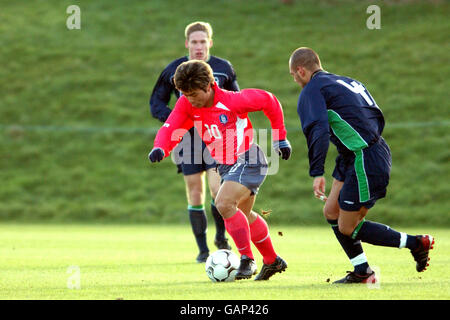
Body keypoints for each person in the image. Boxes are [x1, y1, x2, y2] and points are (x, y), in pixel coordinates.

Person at [289, 47, 435, 284]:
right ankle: (362, 271)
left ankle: (416, 243)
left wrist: (317, 171)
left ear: (301, 70)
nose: (294, 81)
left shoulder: (312, 89)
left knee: (348, 226)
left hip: (363, 158)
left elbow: (317, 128)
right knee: (331, 212)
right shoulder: (346, 81)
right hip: (359, 153)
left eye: (293, 75)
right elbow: (375, 114)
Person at [149, 60, 292, 280]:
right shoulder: (187, 104)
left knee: (223, 203)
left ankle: (246, 259)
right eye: (185, 95)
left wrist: (280, 138)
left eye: (193, 94)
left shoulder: (232, 100)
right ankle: (272, 260)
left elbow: (269, 101)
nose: (189, 99)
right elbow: (171, 126)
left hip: (249, 158)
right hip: (226, 166)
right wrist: (160, 147)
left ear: (208, 86)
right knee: (243, 215)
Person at [150, 22, 239, 262]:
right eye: (194, 42)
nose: (198, 46)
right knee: (195, 192)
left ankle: (221, 237)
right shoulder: (173, 70)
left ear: (210, 43)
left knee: (216, 188)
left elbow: (235, 100)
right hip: (187, 140)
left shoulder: (223, 69)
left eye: (203, 41)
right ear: (187, 43)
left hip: (216, 136)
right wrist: (178, 120)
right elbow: (156, 103)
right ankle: (202, 250)